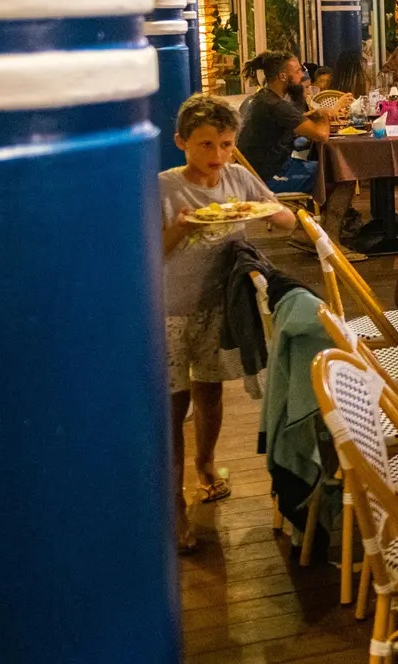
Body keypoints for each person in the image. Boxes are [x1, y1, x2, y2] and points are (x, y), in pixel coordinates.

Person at [160, 95, 296, 551]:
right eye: (204, 145)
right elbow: (144, 255)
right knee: (172, 410)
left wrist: (272, 213)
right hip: (170, 313)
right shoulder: (164, 188)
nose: (216, 156)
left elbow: (288, 221)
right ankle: (174, 503)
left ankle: (204, 468)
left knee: (211, 394)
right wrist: (180, 227)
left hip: (220, 310)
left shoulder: (238, 178)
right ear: (181, 142)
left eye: (224, 144)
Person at [236, 51, 339, 194]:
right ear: (283, 76)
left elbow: (290, 121)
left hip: (259, 173)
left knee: (328, 167)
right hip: (268, 179)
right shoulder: (276, 105)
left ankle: (320, 213)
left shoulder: (264, 98)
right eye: (297, 71)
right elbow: (321, 135)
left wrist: (310, 114)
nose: (302, 75)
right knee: (338, 173)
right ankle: (332, 217)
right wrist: (324, 114)